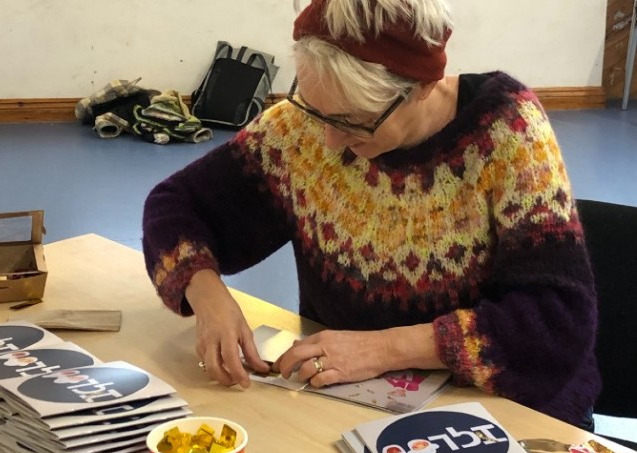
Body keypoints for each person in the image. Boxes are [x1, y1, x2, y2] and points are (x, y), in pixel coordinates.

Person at [141, 0, 600, 430]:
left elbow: (557, 323)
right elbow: (175, 205)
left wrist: (385, 349)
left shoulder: (506, 132)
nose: (329, 143)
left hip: (509, 417)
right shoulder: (305, 130)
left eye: (353, 121)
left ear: (422, 87)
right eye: (315, 109)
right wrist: (206, 294)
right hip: (348, 409)